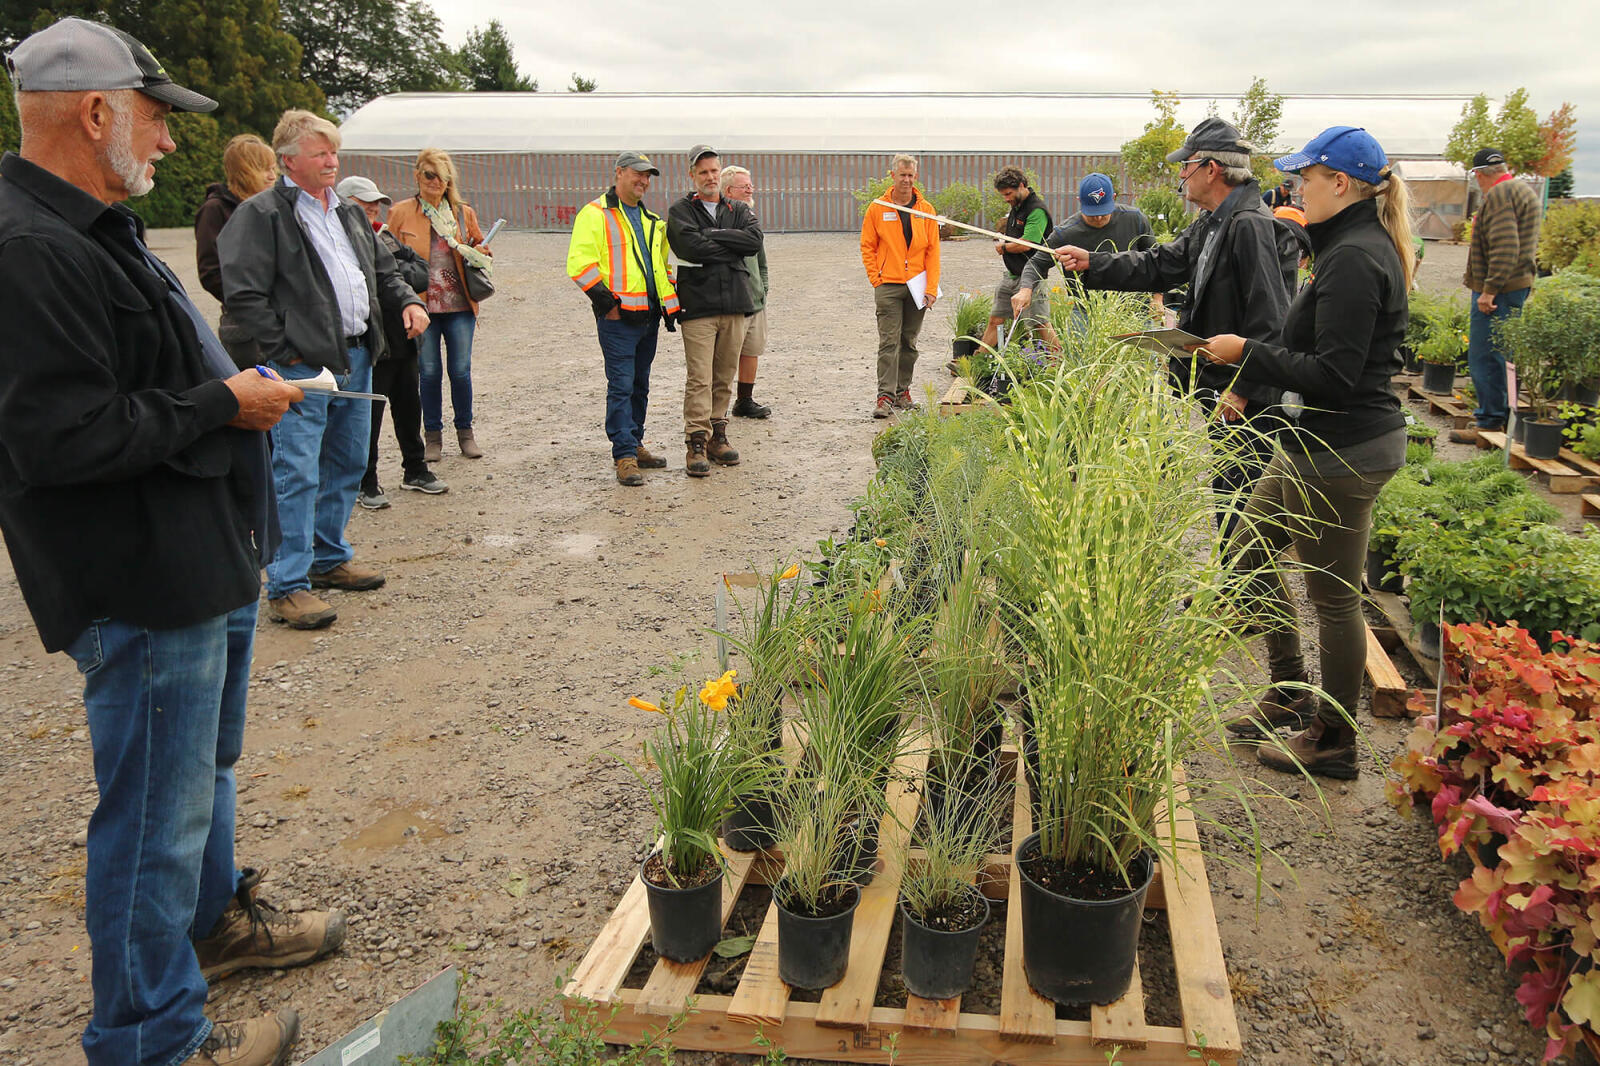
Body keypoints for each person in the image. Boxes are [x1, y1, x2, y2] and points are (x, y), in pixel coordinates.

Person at [0, 19, 346, 1066]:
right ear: (95, 111)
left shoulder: (92, 222)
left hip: (198, 557)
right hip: (139, 580)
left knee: (204, 776)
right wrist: (221, 404)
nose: (165, 141)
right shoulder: (28, 245)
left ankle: (217, 931)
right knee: (154, 814)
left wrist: (223, 410)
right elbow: (60, 436)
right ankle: (150, 1038)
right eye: (153, 118)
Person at [1191, 126, 1415, 779]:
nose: (1296, 188)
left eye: (1307, 177)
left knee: (1335, 598)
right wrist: (1250, 381)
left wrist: (1245, 353)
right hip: (1308, 444)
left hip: (1343, 452)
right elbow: (1311, 354)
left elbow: (1336, 374)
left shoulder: (1355, 257)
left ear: (1339, 183)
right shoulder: (1346, 246)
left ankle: (1334, 740)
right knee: (1246, 554)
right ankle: (1289, 692)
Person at [219, 110, 428, 629]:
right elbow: (242, 292)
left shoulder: (348, 214)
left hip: (358, 355)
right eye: (320, 153)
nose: (331, 161)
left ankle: (328, 557)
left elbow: (383, 270)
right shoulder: (262, 214)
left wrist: (405, 300)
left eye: (334, 151)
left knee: (349, 461)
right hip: (302, 366)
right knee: (295, 470)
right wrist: (283, 351)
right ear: (289, 159)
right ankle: (288, 584)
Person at [1050, 118, 1292, 537]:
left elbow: (1272, 319)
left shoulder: (1249, 224)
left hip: (1245, 391)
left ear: (1211, 169)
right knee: (1227, 489)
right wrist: (1093, 262)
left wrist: (1244, 388)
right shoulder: (1215, 220)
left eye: (1186, 166)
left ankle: (1246, 597)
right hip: (1224, 381)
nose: (1181, 175)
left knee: (1241, 497)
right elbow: (1161, 264)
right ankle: (1234, 592)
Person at [567, 151, 682, 486]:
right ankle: (624, 455)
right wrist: (607, 304)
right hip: (618, 319)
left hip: (648, 316)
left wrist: (668, 303)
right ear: (619, 173)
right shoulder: (595, 214)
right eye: (638, 174)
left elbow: (662, 267)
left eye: (648, 177)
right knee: (620, 386)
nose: (644, 181)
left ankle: (636, 442)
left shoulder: (651, 220)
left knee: (639, 385)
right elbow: (579, 264)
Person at [336, 175, 448, 507]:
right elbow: (385, 277)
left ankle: (415, 470)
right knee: (367, 416)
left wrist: (396, 272)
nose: (373, 209)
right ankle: (365, 481)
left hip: (403, 339)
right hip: (371, 344)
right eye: (365, 203)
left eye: (375, 204)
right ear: (345, 204)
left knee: (409, 408)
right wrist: (399, 273)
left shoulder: (385, 237)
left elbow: (419, 270)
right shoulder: (341, 244)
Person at [385, 149, 492, 460]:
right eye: (428, 174)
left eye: (441, 176)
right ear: (417, 176)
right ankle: (432, 437)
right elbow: (385, 255)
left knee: (460, 371)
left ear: (449, 181)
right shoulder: (401, 212)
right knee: (428, 372)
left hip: (459, 305)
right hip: (421, 307)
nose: (434, 181)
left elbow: (477, 246)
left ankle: (465, 433)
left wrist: (481, 251)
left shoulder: (462, 212)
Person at [667, 144, 763, 474]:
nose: (709, 177)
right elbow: (688, 245)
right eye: (703, 172)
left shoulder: (737, 207)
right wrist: (729, 245)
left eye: (713, 171)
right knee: (700, 376)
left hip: (736, 303)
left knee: (723, 376)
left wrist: (712, 236)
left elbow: (753, 242)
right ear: (692, 175)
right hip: (698, 306)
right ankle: (696, 440)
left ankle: (717, 435)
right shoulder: (680, 211)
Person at [1449, 146, 1542, 443]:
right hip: (1514, 286)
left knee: (1486, 355)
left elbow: (1505, 246)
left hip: (1500, 290)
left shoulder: (1501, 195)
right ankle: (1499, 415)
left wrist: (1489, 290)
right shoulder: (1521, 190)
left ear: (1479, 174)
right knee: (1503, 354)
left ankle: (1489, 422)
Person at [1013, 172, 1155, 331]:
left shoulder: (1135, 219)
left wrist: (1158, 298)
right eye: (1093, 214)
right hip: (1086, 312)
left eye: (1103, 212)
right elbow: (1036, 263)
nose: (1099, 219)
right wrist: (1025, 290)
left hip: (1135, 311)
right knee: (1078, 355)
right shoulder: (1066, 233)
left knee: (1144, 356)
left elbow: (1156, 259)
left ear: (1114, 197)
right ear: (1079, 201)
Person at [861, 153, 941, 418]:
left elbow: (933, 251)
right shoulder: (877, 208)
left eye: (910, 175)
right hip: (888, 286)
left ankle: (902, 393)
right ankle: (884, 396)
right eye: (902, 174)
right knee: (888, 341)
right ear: (892, 175)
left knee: (909, 341)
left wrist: (931, 287)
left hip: (917, 286)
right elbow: (868, 246)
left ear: (915, 176)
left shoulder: (925, 210)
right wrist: (877, 278)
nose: (906, 180)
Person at [194, 133, 276, 367]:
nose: (272, 175)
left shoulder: (273, 208)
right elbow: (211, 272)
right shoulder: (215, 210)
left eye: (273, 168)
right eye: (263, 168)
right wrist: (250, 301)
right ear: (244, 170)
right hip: (245, 326)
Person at [978, 166, 1053, 355]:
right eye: (1003, 195)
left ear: (1021, 186)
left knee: (1039, 325)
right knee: (995, 319)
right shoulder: (1016, 207)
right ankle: (976, 360)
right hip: (1011, 276)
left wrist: (1003, 247)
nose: (1006, 198)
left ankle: (1058, 362)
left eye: (1009, 194)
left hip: (1031, 278)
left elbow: (1027, 244)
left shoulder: (1036, 210)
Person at [720, 164, 772, 418]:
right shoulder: (720, 218)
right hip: (732, 301)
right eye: (745, 186)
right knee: (728, 355)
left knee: (752, 350)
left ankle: (745, 401)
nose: (751, 189)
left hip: (755, 299)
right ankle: (717, 407)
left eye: (751, 185)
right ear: (729, 190)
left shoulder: (750, 218)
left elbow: (760, 258)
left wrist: (763, 286)